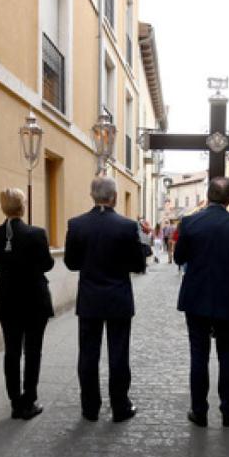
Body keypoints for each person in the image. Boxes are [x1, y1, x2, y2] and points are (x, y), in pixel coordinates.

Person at [174, 177, 229, 427]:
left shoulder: (190, 222)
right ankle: (228, 411)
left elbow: (179, 257)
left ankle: (199, 411)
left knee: (198, 355)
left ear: (208, 195)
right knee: (228, 355)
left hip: (196, 298)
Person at [64, 177, 146, 422]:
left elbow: (71, 263)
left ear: (92, 196)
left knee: (88, 354)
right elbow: (138, 264)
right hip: (118, 298)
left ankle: (90, 408)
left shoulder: (76, 224)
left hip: (89, 299)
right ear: (114, 197)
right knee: (118, 354)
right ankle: (120, 406)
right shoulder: (127, 226)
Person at [0, 188, 55, 420]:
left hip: (7, 301)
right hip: (35, 300)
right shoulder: (36, 233)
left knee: (11, 352)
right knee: (33, 351)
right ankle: (29, 400)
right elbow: (46, 265)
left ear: (3, 207)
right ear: (23, 207)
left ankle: (15, 402)